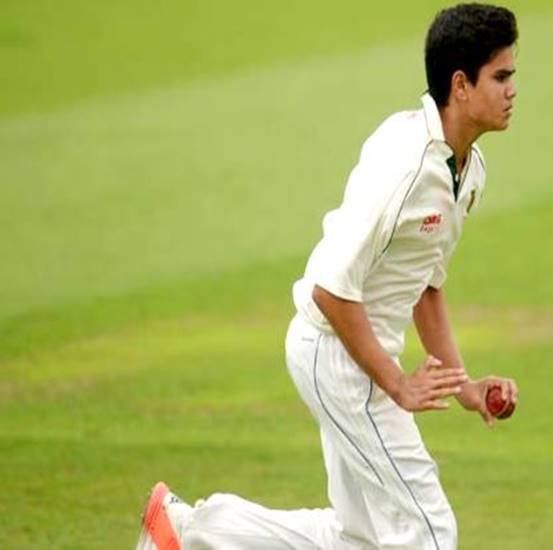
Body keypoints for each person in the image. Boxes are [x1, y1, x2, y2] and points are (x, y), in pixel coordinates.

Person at [137, 3, 519, 549]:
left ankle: (187, 530)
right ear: (461, 85)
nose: (512, 90)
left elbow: (427, 286)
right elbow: (331, 289)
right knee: (429, 532)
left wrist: (466, 387)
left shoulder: (467, 170)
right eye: (500, 77)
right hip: (337, 354)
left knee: (358, 538)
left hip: (354, 355)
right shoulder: (407, 166)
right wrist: (397, 384)